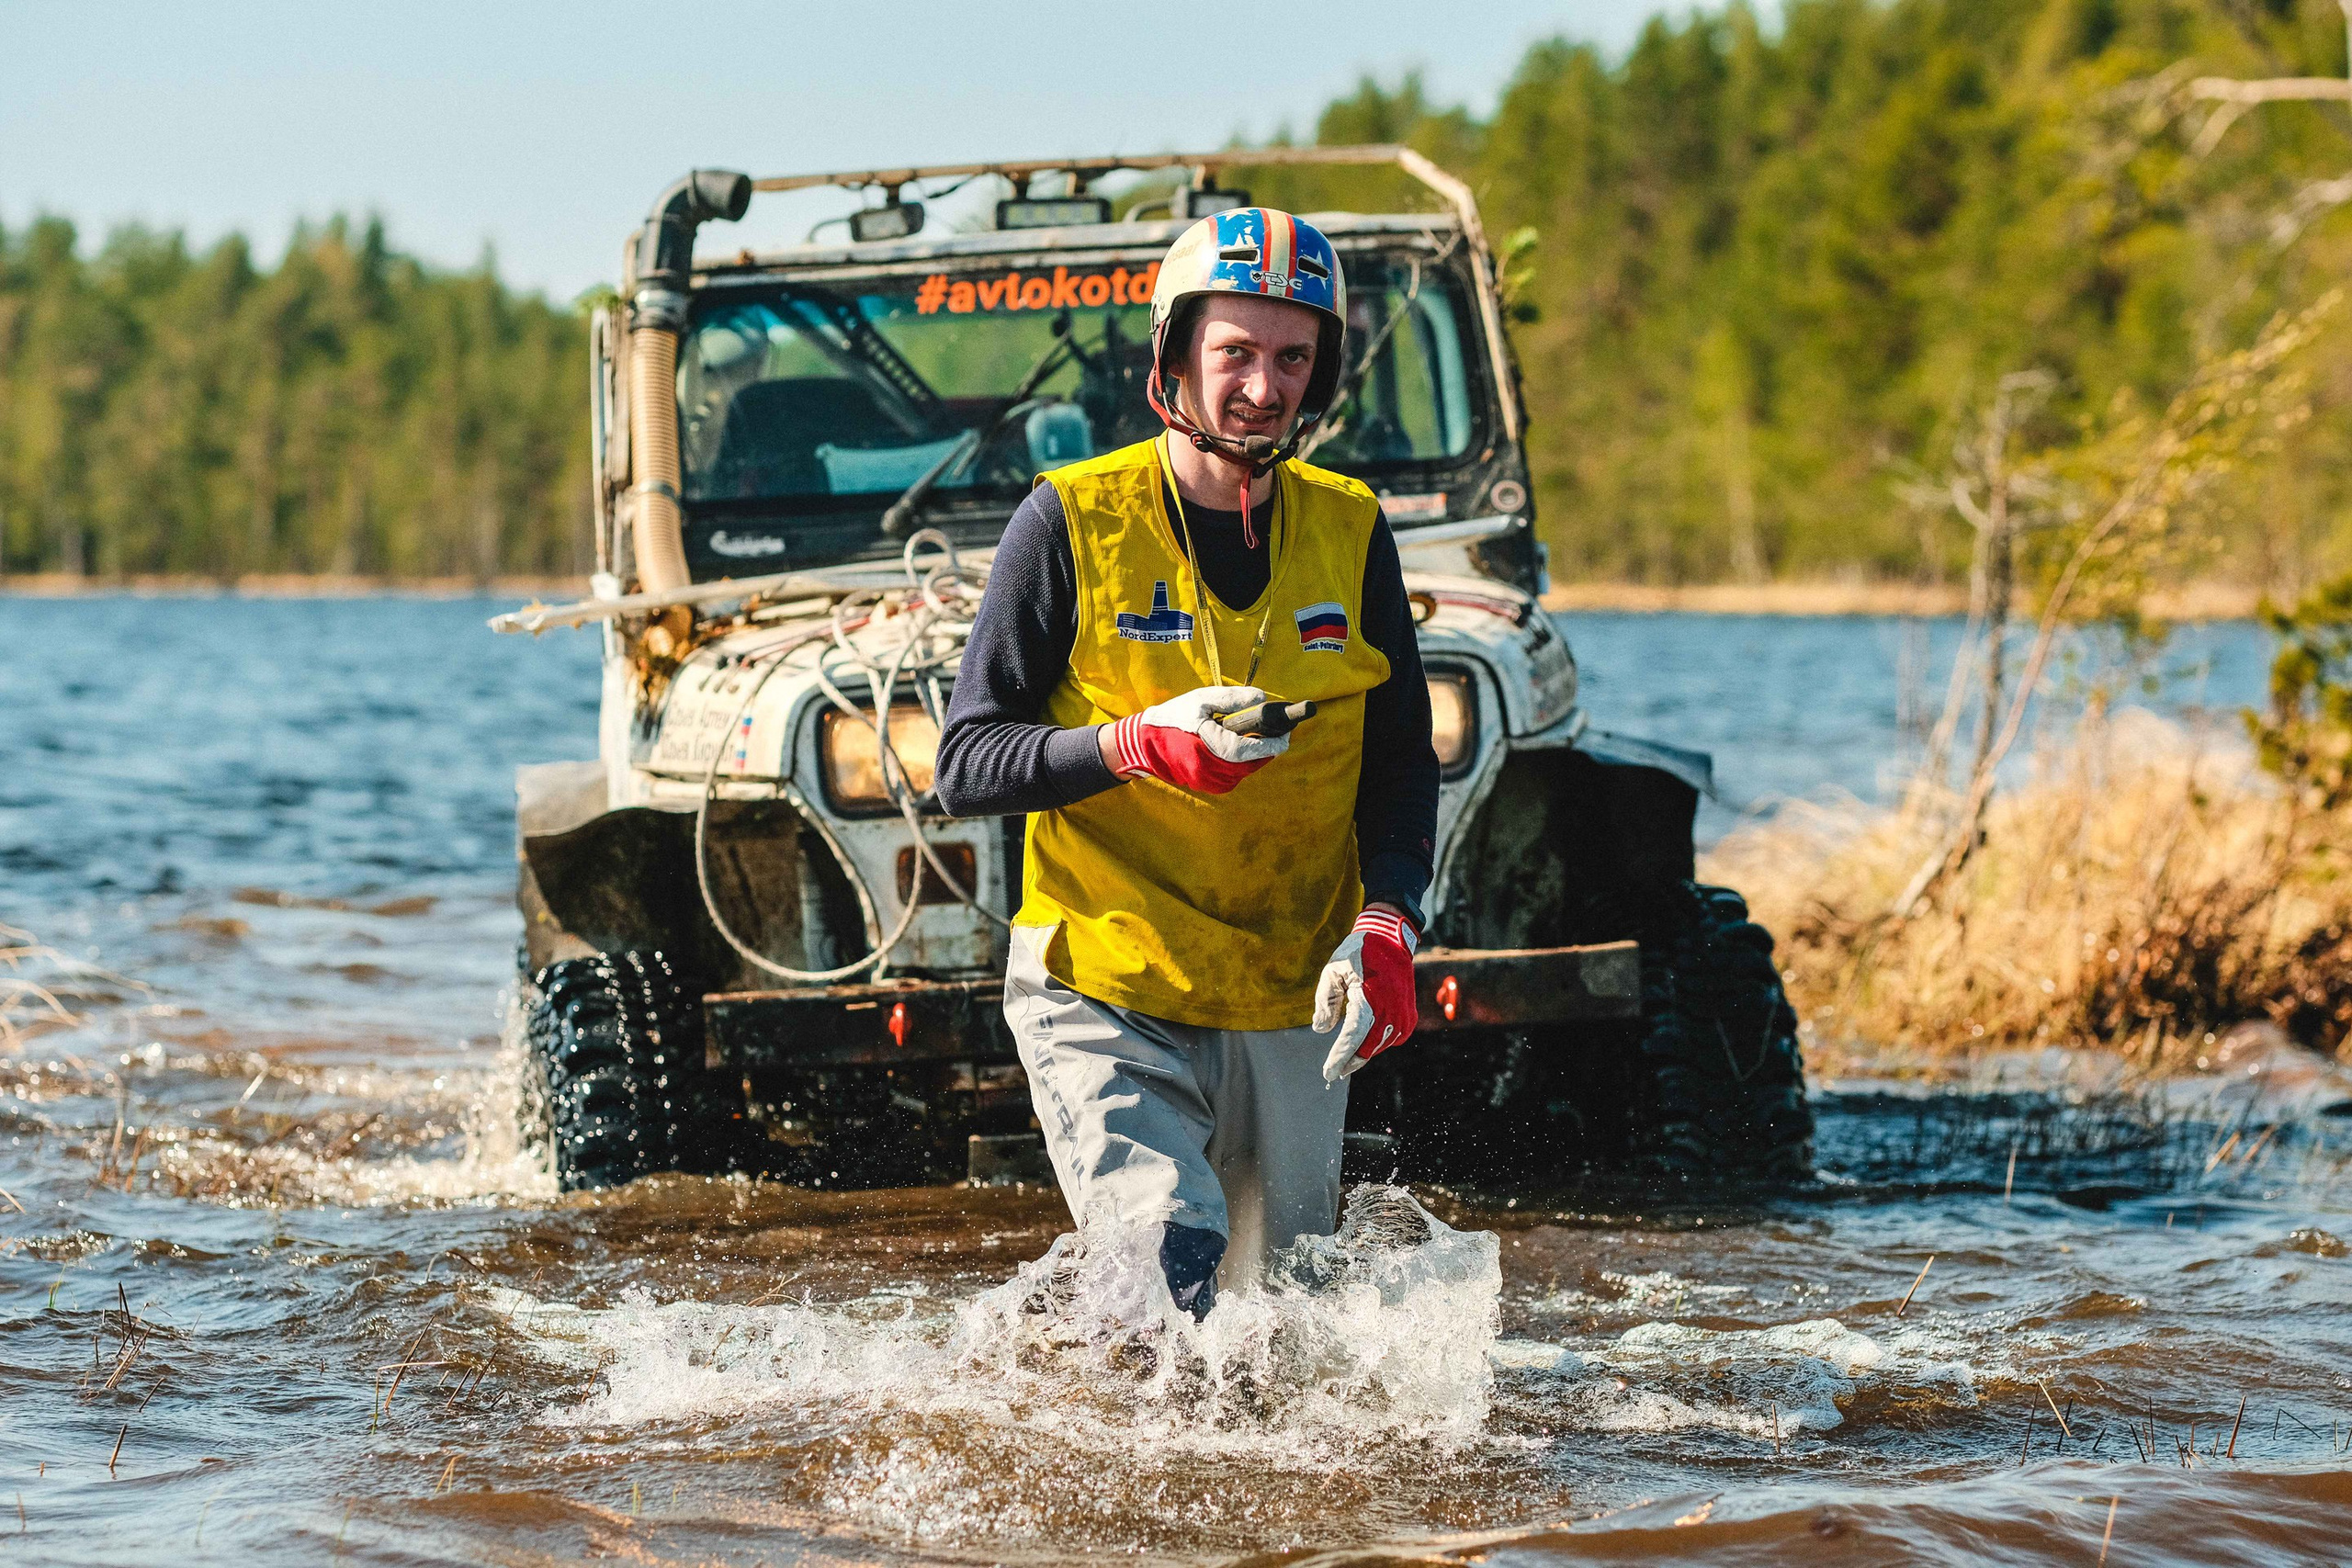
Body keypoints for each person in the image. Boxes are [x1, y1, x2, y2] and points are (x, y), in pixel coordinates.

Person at [933, 208, 1440, 1317]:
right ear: (1173, 355)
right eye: (1235, 354)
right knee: (1175, 1276)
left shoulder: (1353, 530)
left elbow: (1401, 764)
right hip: (1106, 982)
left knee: (1290, 1325)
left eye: (1292, 357)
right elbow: (965, 762)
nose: (1264, 386)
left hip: (1289, 995)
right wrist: (1131, 745)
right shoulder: (1065, 520)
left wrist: (1391, 918)